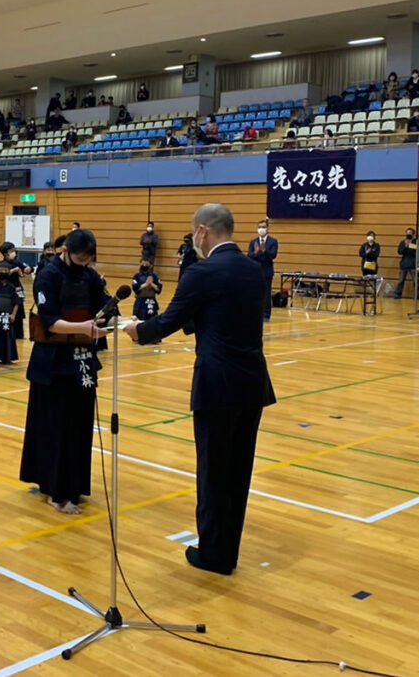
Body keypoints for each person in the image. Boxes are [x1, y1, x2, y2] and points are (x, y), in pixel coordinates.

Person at [122, 203, 276, 574]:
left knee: (212, 471)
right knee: (238, 472)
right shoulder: (254, 270)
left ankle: (212, 554)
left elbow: (167, 322)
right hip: (252, 384)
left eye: (194, 234)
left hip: (216, 385)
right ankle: (227, 551)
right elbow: (221, 316)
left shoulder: (201, 271)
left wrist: (137, 330)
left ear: (203, 232)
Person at [20, 229, 108, 514]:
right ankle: (54, 488)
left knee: (79, 425)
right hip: (53, 361)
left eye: (88, 260)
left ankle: (74, 486)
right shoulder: (48, 275)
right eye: (80, 258)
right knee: (55, 426)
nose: (84, 264)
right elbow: (49, 320)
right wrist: (82, 327)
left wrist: (108, 316)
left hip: (81, 359)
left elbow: (101, 304)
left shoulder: (89, 275)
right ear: (66, 251)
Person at [247, 220, 279, 321]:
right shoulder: (253, 242)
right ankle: (255, 313)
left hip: (267, 271)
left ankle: (266, 314)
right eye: (259, 227)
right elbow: (249, 256)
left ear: (267, 228)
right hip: (255, 271)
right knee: (255, 293)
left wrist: (265, 251)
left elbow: (273, 255)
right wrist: (255, 253)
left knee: (266, 294)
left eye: (263, 227)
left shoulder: (273, 241)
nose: (261, 229)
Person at [0, 242, 32, 340]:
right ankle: (7, 333)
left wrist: (27, 269)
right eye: (11, 251)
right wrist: (14, 270)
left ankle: (19, 334)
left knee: (19, 311)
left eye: (14, 250)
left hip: (17, 289)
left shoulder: (17, 262)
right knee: (8, 311)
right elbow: (2, 275)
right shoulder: (2, 264)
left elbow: (27, 268)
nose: (14, 252)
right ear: (5, 253)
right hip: (6, 290)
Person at [395, 228, 418, 299]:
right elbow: (400, 251)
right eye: (407, 232)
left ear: (413, 234)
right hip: (404, 264)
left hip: (413, 264)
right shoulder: (403, 242)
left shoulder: (416, 242)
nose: (408, 234)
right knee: (401, 281)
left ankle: (416, 295)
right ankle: (398, 295)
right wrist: (405, 246)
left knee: (415, 281)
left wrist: (410, 246)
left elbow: (416, 252)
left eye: (410, 233)